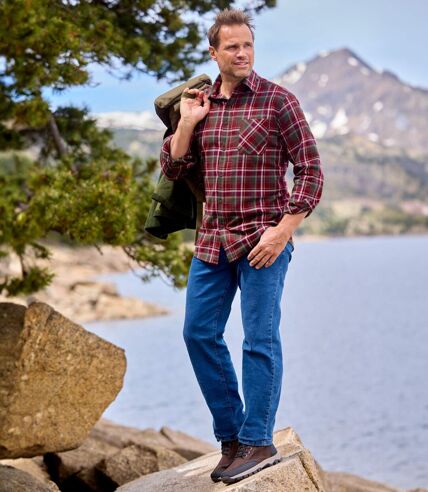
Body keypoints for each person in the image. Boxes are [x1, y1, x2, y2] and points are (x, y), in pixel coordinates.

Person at [160, 8, 324, 485]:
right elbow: (173, 169)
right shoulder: (197, 103)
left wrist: (283, 231)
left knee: (259, 339)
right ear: (214, 53)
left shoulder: (279, 102)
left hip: (263, 242)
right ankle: (231, 440)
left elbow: (311, 171)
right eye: (232, 47)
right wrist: (188, 123)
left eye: (247, 45)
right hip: (212, 240)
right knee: (197, 333)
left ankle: (259, 441)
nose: (242, 53)